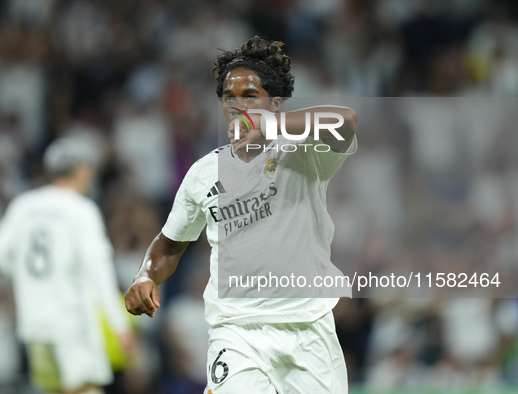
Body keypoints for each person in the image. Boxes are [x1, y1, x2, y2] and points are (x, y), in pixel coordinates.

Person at [125, 36, 357, 393]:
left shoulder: (304, 153)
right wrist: (146, 275)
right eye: (229, 97)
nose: (237, 105)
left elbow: (345, 121)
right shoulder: (204, 172)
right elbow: (170, 243)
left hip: (307, 326)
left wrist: (266, 127)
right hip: (235, 329)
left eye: (250, 96)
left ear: (275, 103)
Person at [0, 138, 134, 394]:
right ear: (81, 169)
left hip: (34, 324)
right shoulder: (82, 211)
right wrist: (119, 324)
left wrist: (24, 277)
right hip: (72, 323)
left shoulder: (24, 205)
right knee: (87, 389)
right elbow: (99, 272)